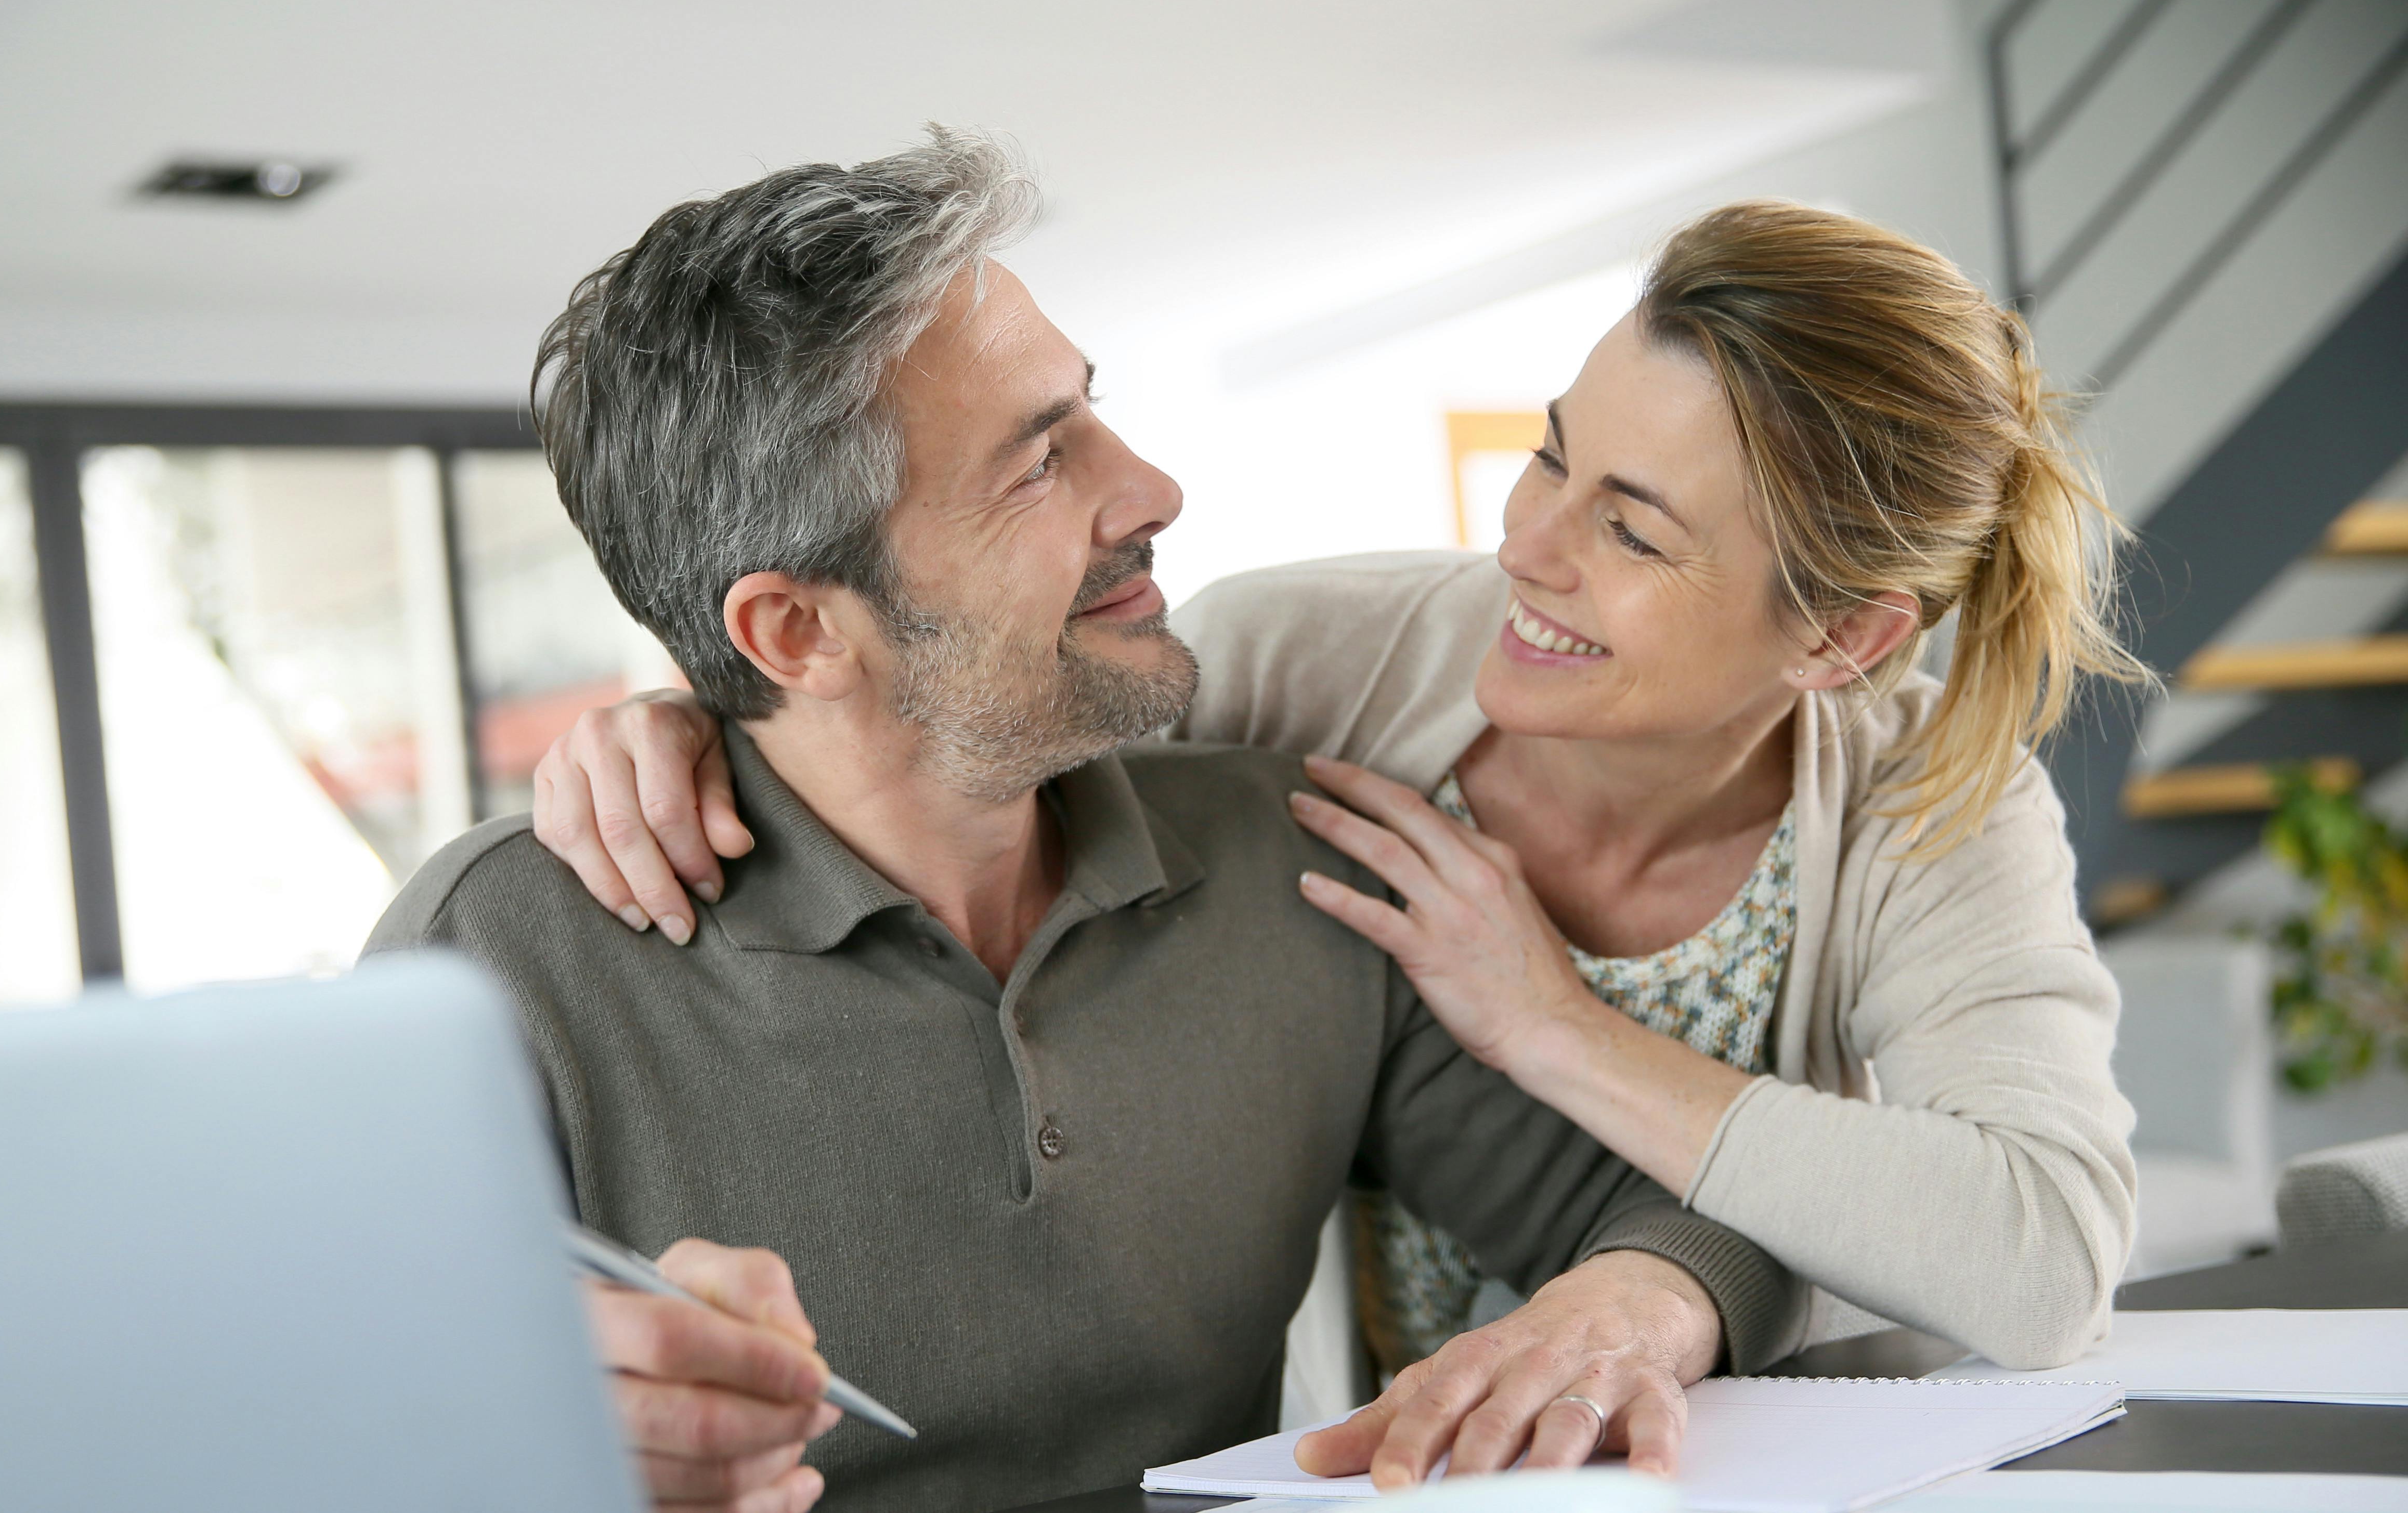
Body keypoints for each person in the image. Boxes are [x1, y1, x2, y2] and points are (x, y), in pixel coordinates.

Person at [366, 129, 1799, 1513]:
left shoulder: (1292, 862)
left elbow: (1684, 1213)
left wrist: (1637, 1300)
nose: (1153, 491)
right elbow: (327, 1428)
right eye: (1040, 461)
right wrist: (534, 1453)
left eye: (1091, 410)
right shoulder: (496, 957)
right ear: (797, 629)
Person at [529, 198, 2146, 1381]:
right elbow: (954, 699)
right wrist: (700, 708)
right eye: (1549, 456)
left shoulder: (1934, 794)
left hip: (1755, 1449)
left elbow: (2038, 1256)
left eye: (1637, 532)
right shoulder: (1306, 671)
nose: (1529, 545)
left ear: (1844, 639)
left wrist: (1556, 1029)